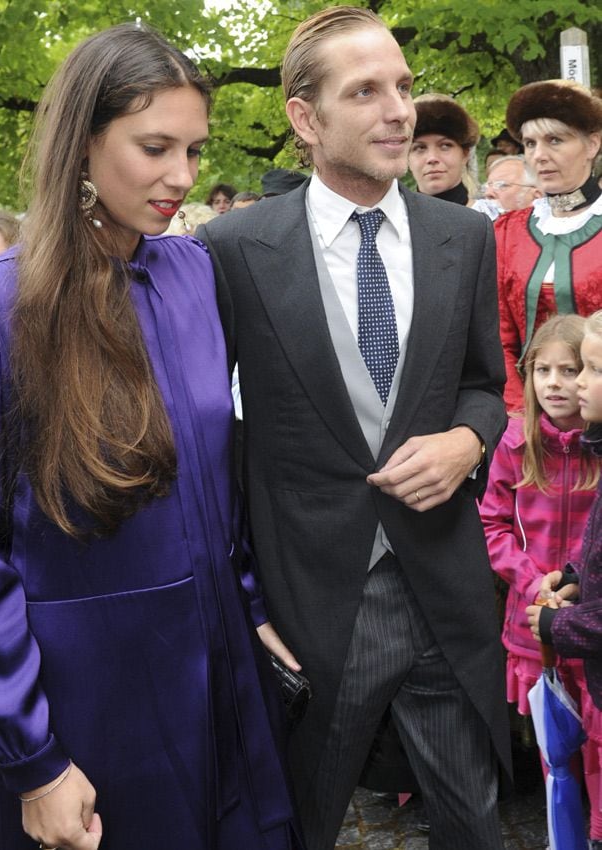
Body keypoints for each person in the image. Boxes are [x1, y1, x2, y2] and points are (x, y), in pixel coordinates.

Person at [0, 23, 301, 850]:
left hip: (225, 675)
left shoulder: (195, 271)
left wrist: (251, 604)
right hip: (93, 700)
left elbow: (216, 466)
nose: (182, 178)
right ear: (83, 144)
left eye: (195, 151)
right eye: (155, 146)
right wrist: (34, 760)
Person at [198, 7, 510, 850]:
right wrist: (244, 590)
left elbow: (487, 385)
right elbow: (204, 434)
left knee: (475, 827)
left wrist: (468, 443)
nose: (399, 110)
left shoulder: (462, 238)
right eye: (365, 91)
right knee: (298, 825)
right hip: (315, 610)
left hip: (446, 587)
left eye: (404, 87)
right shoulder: (232, 250)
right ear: (306, 118)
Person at [479, 315, 602, 839]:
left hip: (591, 628)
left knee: (596, 739)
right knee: (557, 739)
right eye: (541, 370)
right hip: (535, 626)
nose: (554, 383)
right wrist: (533, 582)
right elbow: (492, 523)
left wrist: (574, 584)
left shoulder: (597, 448)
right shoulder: (515, 441)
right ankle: (565, 829)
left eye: (571, 369)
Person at [526, 309, 602, 850]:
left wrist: (557, 624)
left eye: (589, 370)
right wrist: (572, 575)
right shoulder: (520, 441)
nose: (573, 385)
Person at [494, 80, 602, 412]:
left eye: (555, 140)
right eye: (529, 143)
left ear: (592, 144)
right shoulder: (506, 232)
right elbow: (498, 336)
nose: (539, 155)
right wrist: (519, 415)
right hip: (528, 420)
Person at [408, 93, 480, 205]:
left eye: (445, 146)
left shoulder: (496, 220)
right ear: (407, 159)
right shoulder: (392, 221)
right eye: (420, 148)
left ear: (465, 154)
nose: (432, 158)